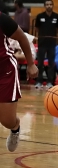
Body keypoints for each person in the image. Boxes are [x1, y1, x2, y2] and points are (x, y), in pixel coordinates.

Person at [0, 12, 38, 153]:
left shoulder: (2, 19)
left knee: (7, 120)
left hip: (5, 72)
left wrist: (30, 64)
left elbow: (22, 38)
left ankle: (15, 128)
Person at [35, 0, 58, 89]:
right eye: (47, 4)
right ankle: (39, 81)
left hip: (52, 43)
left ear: (52, 6)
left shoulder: (57, 16)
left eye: (50, 4)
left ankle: (50, 82)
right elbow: (37, 28)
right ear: (44, 6)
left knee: (51, 63)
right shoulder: (39, 16)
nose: (49, 6)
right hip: (42, 43)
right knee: (40, 63)